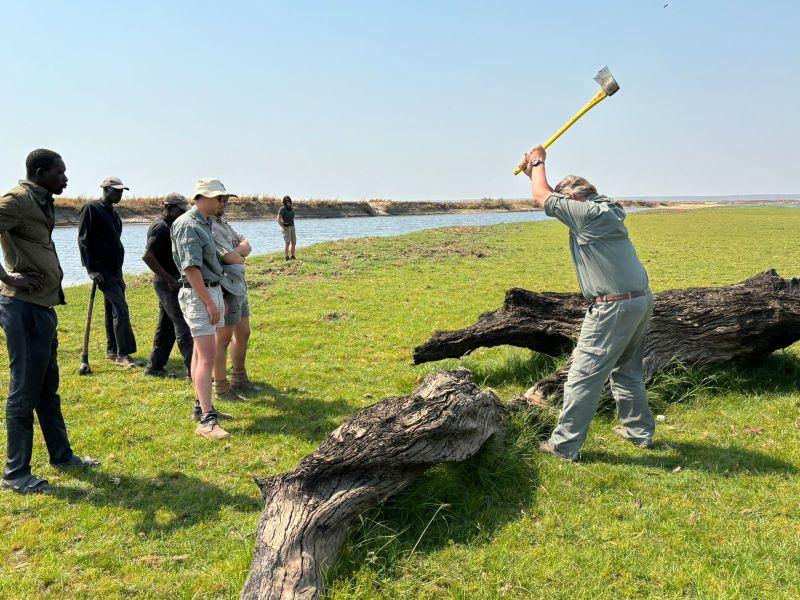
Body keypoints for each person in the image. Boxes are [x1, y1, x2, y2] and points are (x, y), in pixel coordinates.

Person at [518, 145, 655, 461]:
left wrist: (538, 160)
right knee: (627, 370)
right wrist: (532, 174)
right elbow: (549, 196)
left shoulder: (587, 215)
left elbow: (543, 199)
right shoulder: (602, 206)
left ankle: (564, 446)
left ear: (574, 201)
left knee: (583, 375)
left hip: (613, 307)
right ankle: (639, 433)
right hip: (639, 301)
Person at [0, 149, 100, 494]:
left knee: (46, 388)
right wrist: (8, 278)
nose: (66, 179)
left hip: (42, 307)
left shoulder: (40, 199)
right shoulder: (17, 199)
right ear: (41, 172)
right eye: (61, 173)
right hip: (22, 307)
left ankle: (61, 455)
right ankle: (16, 473)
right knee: (23, 391)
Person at [171, 178, 238, 439]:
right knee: (207, 356)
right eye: (221, 198)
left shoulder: (205, 222)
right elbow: (190, 268)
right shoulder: (188, 225)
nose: (224, 203)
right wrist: (209, 302)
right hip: (199, 294)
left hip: (209, 289)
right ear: (205, 197)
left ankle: (202, 407)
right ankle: (207, 421)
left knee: (202, 354)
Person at [77, 176, 142, 367]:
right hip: (102, 271)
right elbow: (83, 240)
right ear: (105, 189)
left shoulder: (114, 215)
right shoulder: (91, 209)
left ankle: (112, 350)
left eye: (122, 191)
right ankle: (124, 354)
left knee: (112, 310)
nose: (120, 194)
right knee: (121, 310)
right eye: (116, 191)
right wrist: (90, 269)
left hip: (116, 270)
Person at [211, 196, 261, 402]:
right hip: (225, 286)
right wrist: (237, 252)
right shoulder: (209, 227)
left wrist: (237, 250)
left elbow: (246, 246)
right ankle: (221, 387)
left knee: (244, 333)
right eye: (220, 200)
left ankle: (239, 377)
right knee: (222, 339)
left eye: (225, 201)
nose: (223, 204)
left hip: (238, 285)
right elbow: (229, 257)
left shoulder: (224, 223)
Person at [142, 193, 194, 378]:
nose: (182, 214)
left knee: (166, 327)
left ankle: (154, 367)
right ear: (168, 208)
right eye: (179, 210)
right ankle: (193, 371)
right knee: (183, 326)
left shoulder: (174, 225)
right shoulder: (160, 227)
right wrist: (169, 279)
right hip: (166, 283)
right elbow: (148, 256)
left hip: (173, 281)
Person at [277, 195, 296, 260]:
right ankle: (286, 257)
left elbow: (292, 218)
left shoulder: (291, 208)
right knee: (287, 242)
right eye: (286, 201)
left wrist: (292, 226)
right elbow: (278, 219)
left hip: (292, 226)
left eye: (289, 200)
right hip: (286, 227)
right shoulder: (282, 209)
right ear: (284, 202)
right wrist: (283, 227)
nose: (288, 202)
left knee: (294, 242)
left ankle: (293, 256)